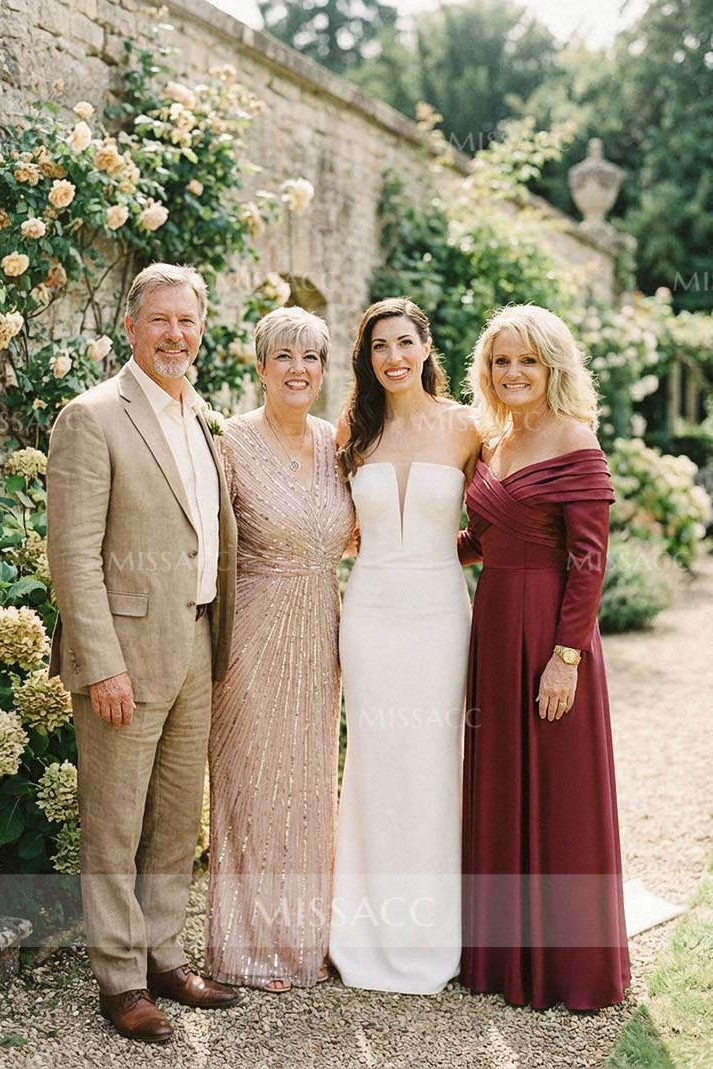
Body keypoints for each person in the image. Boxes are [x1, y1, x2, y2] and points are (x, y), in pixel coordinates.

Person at [47, 263, 240, 1044]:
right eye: (159, 319)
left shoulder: (201, 418)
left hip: (196, 639)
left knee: (175, 818)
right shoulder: (92, 417)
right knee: (114, 821)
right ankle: (120, 978)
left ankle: (164, 953)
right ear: (131, 327)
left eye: (186, 320)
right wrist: (102, 662)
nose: (174, 334)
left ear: (201, 329)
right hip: (124, 651)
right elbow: (72, 554)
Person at [458, 304, 630, 1011]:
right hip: (495, 627)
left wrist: (566, 657)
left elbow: (589, 560)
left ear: (552, 366)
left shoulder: (574, 439)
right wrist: (397, 548)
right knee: (501, 779)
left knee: (560, 789)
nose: (513, 372)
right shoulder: (492, 441)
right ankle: (503, 957)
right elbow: (481, 541)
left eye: (527, 360)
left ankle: (567, 966)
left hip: (552, 633)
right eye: (501, 360)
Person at [330, 297, 481, 994]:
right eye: (379, 347)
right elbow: (333, 524)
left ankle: (434, 930)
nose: (393, 357)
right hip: (368, 613)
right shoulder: (353, 430)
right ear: (367, 359)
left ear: (426, 347)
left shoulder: (467, 427)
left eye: (403, 343)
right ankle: (363, 930)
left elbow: (501, 518)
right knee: (372, 760)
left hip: (439, 613)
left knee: (433, 762)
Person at [204, 306, 355, 992]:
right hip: (251, 632)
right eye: (285, 356)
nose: (299, 369)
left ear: (324, 371)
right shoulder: (230, 442)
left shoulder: (338, 443)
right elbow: (205, 540)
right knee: (251, 784)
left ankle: (306, 939)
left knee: (308, 785)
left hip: (320, 629)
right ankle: (247, 947)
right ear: (260, 366)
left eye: (311, 357)